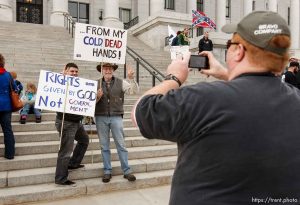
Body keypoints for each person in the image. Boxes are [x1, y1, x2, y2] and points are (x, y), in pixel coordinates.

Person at [132, 11, 300, 204]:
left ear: (239, 51)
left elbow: (140, 112)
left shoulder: (202, 98)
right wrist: (227, 74)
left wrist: (174, 77)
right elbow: (255, 92)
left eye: (230, 44)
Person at [95, 62, 138, 183]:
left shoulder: (121, 82)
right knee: (104, 146)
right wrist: (97, 97)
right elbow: (88, 103)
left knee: (121, 145)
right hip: (100, 117)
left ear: (113, 70)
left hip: (116, 116)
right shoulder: (95, 83)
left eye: (110, 69)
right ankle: (107, 171)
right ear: (102, 70)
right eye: (105, 68)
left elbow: (133, 91)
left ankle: (127, 170)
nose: (108, 71)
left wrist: (131, 79)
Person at [55, 63, 89, 186]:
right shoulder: (61, 82)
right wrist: (61, 76)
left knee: (84, 140)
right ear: (66, 71)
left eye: (76, 71)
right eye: (72, 71)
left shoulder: (79, 84)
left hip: (76, 121)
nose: (74, 73)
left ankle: (73, 163)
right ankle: (61, 178)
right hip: (66, 122)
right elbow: (52, 84)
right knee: (65, 151)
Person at [0, 54, 16, 160]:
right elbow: (15, 88)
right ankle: (9, 154)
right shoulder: (8, 75)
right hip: (6, 106)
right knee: (7, 130)